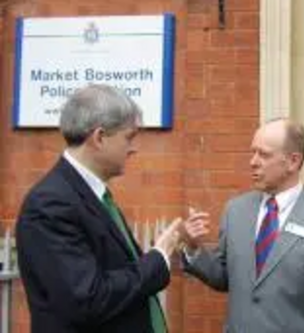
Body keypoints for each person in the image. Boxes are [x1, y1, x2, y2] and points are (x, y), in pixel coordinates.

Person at [16, 84, 181, 333]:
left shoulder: (91, 193)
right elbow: (88, 299)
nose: (134, 148)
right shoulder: (50, 204)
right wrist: (157, 260)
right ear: (100, 137)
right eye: (129, 137)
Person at [180, 118, 304, 333]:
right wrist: (194, 248)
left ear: (293, 162)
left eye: (264, 154)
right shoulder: (236, 211)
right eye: (253, 152)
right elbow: (224, 278)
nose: (253, 161)